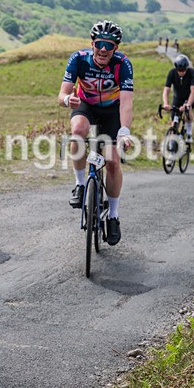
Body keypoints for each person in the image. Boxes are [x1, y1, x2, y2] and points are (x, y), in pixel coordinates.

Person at [59, 20, 133, 245]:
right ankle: (81, 185)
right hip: (86, 105)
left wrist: (124, 131)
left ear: (115, 49)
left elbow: (126, 103)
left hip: (112, 111)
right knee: (78, 130)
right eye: (99, 43)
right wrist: (66, 100)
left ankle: (113, 215)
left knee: (112, 161)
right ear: (92, 44)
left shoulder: (123, 64)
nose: (103, 49)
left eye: (109, 45)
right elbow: (62, 94)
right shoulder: (78, 59)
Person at [162, 54, 194, 144]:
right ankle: (172, 146)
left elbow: (193, 91)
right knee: (174, 122)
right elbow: (166, 90)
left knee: (187, 110)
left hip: (190, 97)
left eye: (183, 70)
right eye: (179, 70)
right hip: (177, 98)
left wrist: (188, 104)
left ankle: (189, 132)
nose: (181, 72)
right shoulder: (172, 73)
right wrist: (166, 103)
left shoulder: (192, 73)